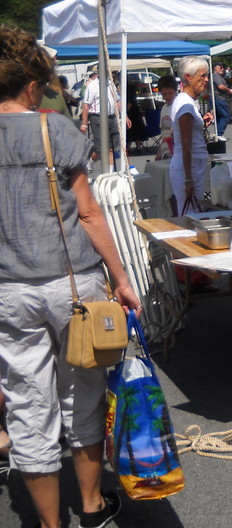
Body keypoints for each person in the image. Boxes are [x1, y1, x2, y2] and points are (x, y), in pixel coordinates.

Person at [0, 26, 141, 528]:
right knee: (83, 389)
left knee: (27, 404)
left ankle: (48, 523)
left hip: (9, 289)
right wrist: (122, 278)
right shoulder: (55, 130)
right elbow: (88, 215)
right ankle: (91, 507)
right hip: (71, 282)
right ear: (33, 86)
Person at [170, 56, 214, 217]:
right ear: (188, 77)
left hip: (192, 164)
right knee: (191, 214)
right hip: (189, 166)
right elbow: (185, 143)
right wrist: (188, 179)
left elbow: (185, 133)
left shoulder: (187, 102)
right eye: (202, 76)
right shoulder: (185, 104)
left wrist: (201, 122)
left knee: (193, 211)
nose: (206, 80)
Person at [79, 70, 123, 167]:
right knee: (102, 149)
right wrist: (84, 123)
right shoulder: (92, 86)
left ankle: (111, 171)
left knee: (112, 148)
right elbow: (86, 105)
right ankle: (89, 164)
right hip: (98, 118)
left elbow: (117, 101)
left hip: (112, 117)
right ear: (99, 71)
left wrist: (124, 116)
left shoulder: (111, 84)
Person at [155, 74, 178, 160]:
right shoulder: (164, 108)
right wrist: (159, 152)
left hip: (176, 151)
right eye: (165, 94)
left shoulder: (178, 106)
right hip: (165, 151)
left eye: (170, 93)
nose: (168, 96)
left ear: (176, 91)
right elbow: (163, 133)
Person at [210, 61, 232, 140]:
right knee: (226, 115)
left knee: (219, 116)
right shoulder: (216, 75)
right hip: (218, 98)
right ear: (215, 68)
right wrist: (229, 90)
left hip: (218, 97)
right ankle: (219, 133)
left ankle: (218, 133)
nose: (222, 69)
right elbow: (220, 86)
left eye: (223, 67)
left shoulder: (218, 76)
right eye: (220, 67)